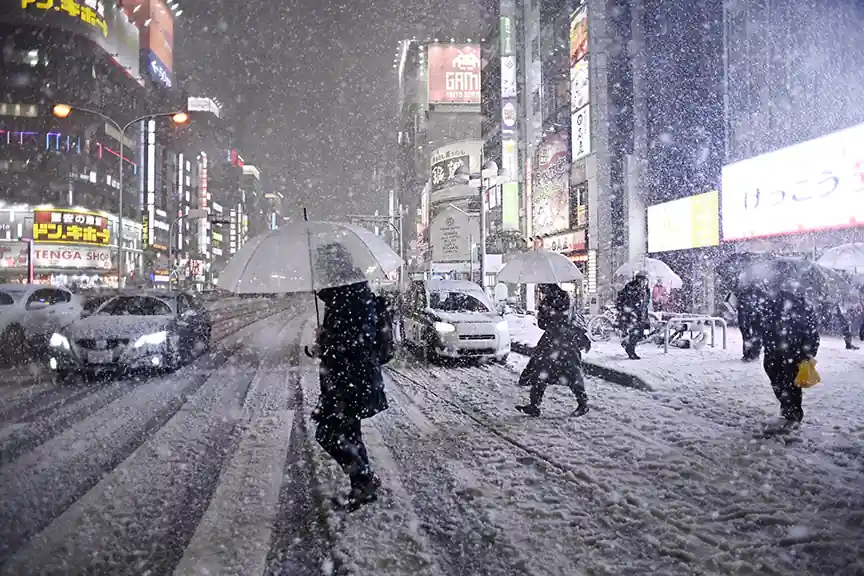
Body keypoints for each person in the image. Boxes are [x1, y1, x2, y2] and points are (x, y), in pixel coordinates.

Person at [310, 243, 388, 510]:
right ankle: (363, 482)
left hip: (352, 379)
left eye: (322, 267)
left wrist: (329, 341)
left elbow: (360, 340)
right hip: (347, 378)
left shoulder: (352, 295)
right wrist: (324, 344)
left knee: (330, 434)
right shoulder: (344, 294)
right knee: (348, 433)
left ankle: (364, 480)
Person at [516, 284, 591, 417]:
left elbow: (562, 319)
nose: (541, 290)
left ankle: (583, 403)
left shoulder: (564, 298)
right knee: (540, 372)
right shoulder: (549, 300)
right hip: (551, 340)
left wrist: (548, 314)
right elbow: (543, 324)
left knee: (571, 371)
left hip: (565, 341)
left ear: (549, 286)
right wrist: (543, 314)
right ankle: (534, 405)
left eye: (542, 288)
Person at [759, 290, 819, 426]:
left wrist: (809, 352)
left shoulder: (803, 306)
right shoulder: (770, 303)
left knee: (790, 382)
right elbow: (763, 324)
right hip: (775, 349)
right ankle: (787, 405)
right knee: (777, 378)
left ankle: (792, 411)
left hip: (794, 351)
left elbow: (811, 330)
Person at [616, 272, 650, 360]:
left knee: (639, 334)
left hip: (640, 315)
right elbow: (628, 300)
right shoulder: (631, 287)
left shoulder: (646, 289)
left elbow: (645, 303)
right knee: (634, 333)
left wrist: (645, 316)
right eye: (641, 279)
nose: (643, 282)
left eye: (644, 280)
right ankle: (631, 351)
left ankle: (628, 346)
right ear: (637, 279)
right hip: (631, 315)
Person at [737, 285, 767, 362]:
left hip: (751, 313)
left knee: (748, 334)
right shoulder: (761, 288)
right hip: (755, 313)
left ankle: (750, 354)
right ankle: (753, 354)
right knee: (755, 334)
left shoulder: (745, 288)